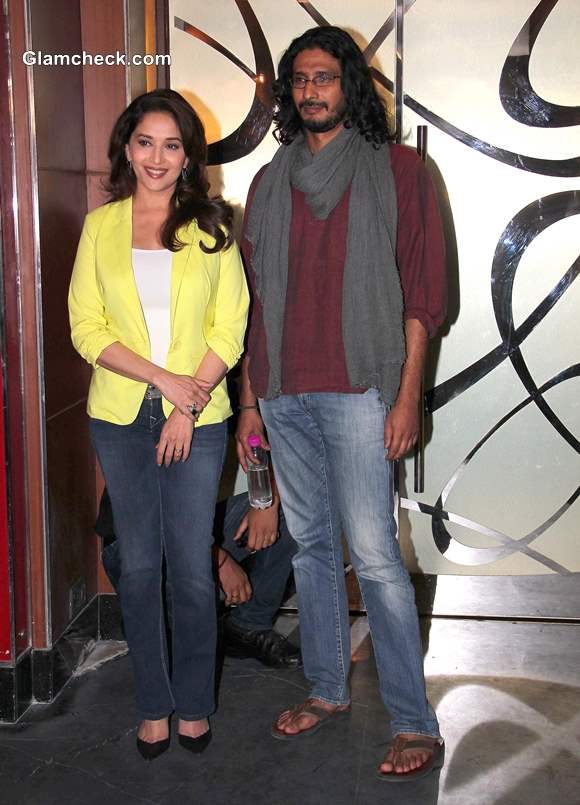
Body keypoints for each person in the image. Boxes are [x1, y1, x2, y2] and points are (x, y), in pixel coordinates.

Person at [236, 27, 447, 782]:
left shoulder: (399, 171)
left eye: (324, 77)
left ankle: (414, 719)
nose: (310, 90)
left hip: (361, 389)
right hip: (284, 391)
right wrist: (250, 407)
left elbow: (423, 294)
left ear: (349, 84)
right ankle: (327, 688)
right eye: (298, 79)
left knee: (378, 557)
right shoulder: (268, 182)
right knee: (314, 548)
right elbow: (251, 305)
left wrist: (407, 394)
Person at [68, 89, 249, 759]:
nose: (157, 157)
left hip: (197, 419)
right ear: (126, 147)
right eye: (145, 142)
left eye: (172, 145)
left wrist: (186, 402)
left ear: (189, 156)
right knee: (138, 566)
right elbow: (86, 325)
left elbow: (229, 325)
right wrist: (160, 383)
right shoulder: (101, 226)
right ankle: (152, 702)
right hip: (119, 415)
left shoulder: (213, 227)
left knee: (192, 572)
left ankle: (195, 702)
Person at [95, 487, 302, 668]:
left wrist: (268, 501)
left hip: (196, 529)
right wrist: (218, 559)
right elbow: (145, 518)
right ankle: (147, 619)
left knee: (289, 506)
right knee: (183, 662)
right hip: (137, 543)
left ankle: (248, 626)